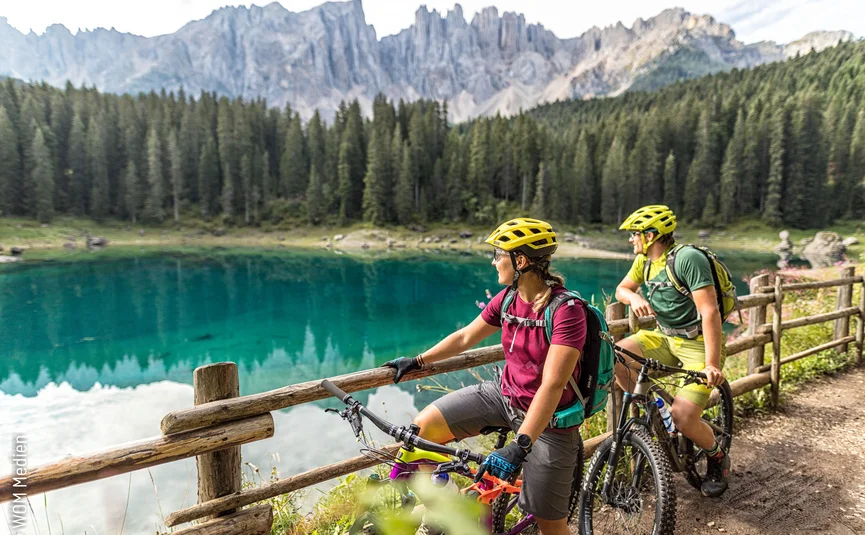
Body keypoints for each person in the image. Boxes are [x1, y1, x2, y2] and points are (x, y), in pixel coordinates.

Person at [383, 217, 585, 535]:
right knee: (421, 430)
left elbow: (553, 384)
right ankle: (447, 512)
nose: (494, 262)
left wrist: (520, 444)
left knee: (553, 528)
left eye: (498, 255)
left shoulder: (565, 310)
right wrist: (417, 360)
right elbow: (465, 337)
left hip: (551, 421)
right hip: (503, 396)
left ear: (520, 261)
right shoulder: (506, 299)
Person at [614, 204, 730, 497]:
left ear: (651, 235)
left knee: (685, 417)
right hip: (664, 338)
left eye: (635, 234)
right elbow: (622, 288)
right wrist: (632, 297)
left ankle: (717, 457)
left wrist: (712, 364)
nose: (631, 239)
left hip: (698, 344)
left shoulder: (687, 259)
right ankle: (658, 412)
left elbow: (710, 312)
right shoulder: (645, 262)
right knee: (616, 356)